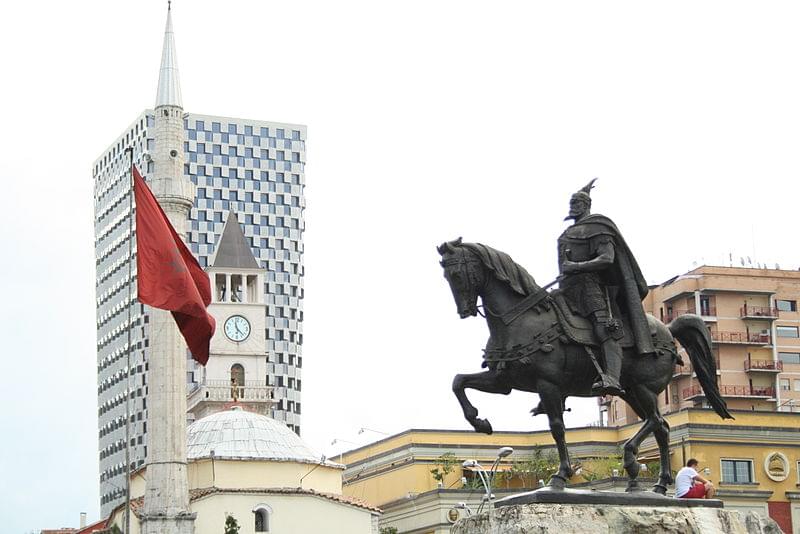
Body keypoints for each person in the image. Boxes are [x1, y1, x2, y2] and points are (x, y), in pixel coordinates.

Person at [557, 179, 655, 396]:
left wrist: (577, 266)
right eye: (571, 202)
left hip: (591, 288)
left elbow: (607, 258)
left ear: (586, 205)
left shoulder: (598, 228)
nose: (572, 206)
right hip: (567, 288)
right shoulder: (567, 233)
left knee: (605, 330)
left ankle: (611, 377)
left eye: (577, 202)